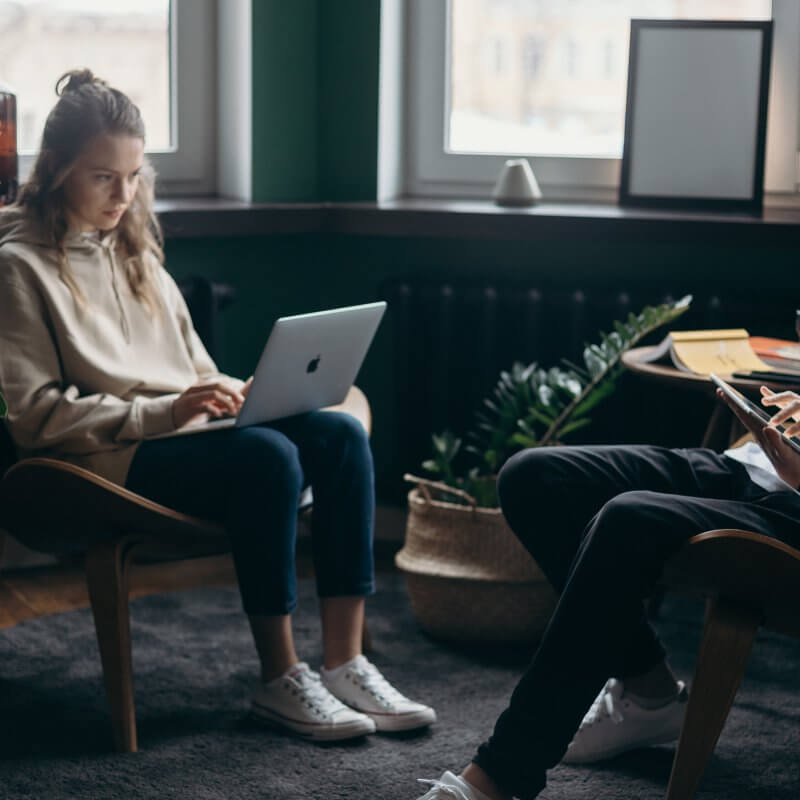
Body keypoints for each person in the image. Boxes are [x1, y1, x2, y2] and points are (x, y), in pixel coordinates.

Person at [0, 69, 436, 743]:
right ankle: (280, 677)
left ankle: (346, 663)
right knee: (266, 456)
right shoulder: (19, 268)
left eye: (134, 176)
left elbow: (193, 373)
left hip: (179, 436)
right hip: (102, 462)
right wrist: (167, 413)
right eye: (103, 177)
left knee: (338, 437)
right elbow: (36, 418)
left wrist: (241, 391)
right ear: (55, 169)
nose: (123, 196)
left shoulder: (137, 255)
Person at [415, 384, 800, 799]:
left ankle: (499, 777)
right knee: (533, 477)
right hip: (752, 467)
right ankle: (650, 689)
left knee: (628, 520)